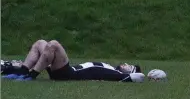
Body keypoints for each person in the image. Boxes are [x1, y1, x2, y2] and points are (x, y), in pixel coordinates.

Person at [2, 39, 145, 82]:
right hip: (66, 71)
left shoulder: (116, 74)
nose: (126, 64)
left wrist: (154, 76)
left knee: (54, 45)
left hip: (69, 74)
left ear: (129, 71)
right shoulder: (110, 67)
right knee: (40, 43)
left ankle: (31, 76)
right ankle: (22, 72)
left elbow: (138, 77)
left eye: (129, 66)